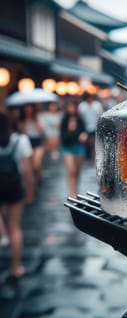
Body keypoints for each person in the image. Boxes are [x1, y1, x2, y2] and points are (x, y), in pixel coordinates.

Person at [0, 110, 34, 278]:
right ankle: (15, 267)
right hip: (14, 187)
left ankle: (2, 232)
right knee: (15, 227)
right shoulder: (20, 140)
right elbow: (27, 171)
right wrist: (29, 190)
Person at [61, 100, 88, 197]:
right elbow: (63, 137)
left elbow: (85, 132)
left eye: (73, 107)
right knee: (71, 170)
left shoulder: (80, 119)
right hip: (68, 148)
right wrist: (70, 130)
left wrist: (84, 136)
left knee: (77, 171)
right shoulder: (64, 120)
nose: (71, 109)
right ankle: (73, 193)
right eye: (69, 107)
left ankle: (76, 190)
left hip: (79, 147)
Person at [19, 104, 45, 181]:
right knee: (29, 165)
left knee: (36, 163)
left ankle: (39, 176)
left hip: (37, 141)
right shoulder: (22, 119)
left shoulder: (38, 117)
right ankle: (33, 179)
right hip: (27, 141)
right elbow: (22, 132)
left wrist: (35, 121)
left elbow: (42, 130)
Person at [78, 94, 103, 162]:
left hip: (96, 127)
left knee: (94, 143)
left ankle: (93, 157)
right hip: (86, 128)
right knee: (88, 143)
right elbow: (80, 117)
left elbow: (101, 114)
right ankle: (90, 156)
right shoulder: (82, 106)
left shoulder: (97, 105)